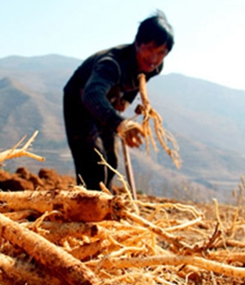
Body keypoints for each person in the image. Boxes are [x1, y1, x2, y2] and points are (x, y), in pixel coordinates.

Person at [63, 10, 174, 191]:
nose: (154, 59)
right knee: (93, 161)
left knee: (111, 159)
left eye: (161, 53)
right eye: (149, 49)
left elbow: (139, 82)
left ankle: (103, 205)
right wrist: (120, 123)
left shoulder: (154, 67)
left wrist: (125, 102)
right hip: (80, 101)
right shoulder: (112, 63)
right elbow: (91, 95)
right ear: (137, 43)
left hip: (106, 103)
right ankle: (86, 208)